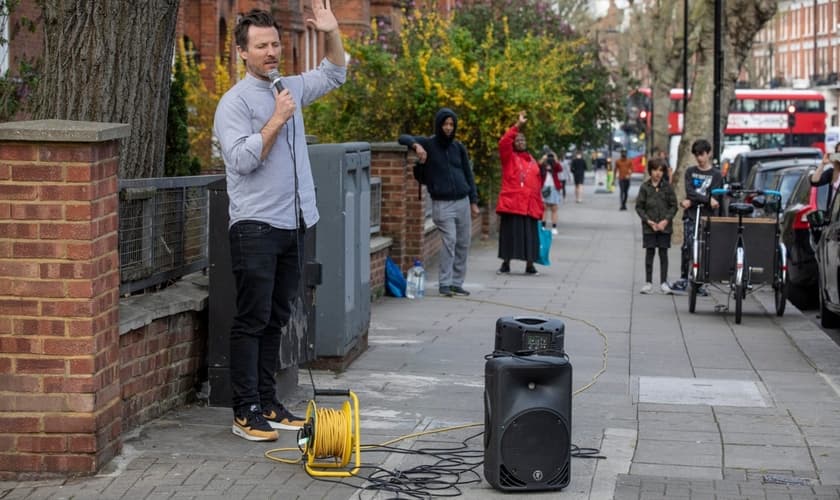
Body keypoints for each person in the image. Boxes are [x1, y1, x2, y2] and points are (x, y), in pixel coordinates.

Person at [213, 4, 346, 442]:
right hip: (255, 226)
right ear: (242, 52)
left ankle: (268, 403)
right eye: (261, 46)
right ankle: (245, 411)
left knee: (276, 318)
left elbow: (334, 73)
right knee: (252, 319)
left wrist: (331, 32)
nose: (271, 52)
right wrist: (277, 118)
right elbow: (240, 160)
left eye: (274, 44)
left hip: (294, 222)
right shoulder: (234, 103)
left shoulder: (288, 86)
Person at [398, 108, 480, 297]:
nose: (448, 128)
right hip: (442, 204)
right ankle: (444, 283)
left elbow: (468, 174)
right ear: (439, 125)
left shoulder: (458, 147)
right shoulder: (428, 144)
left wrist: (473, 201)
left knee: (463, 243)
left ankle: (456, 283)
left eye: (451, 124)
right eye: (445, 124)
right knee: (450, 241)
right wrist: (416, 146)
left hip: (462, 201)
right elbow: (402, 138)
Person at [670, 139, 723, 293]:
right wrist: (706, 200)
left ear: (709, 153)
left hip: (707, 217)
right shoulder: (690, 172)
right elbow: (691, 192)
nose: (699, 158)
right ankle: (684, 277)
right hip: (691, 215)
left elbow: (715, 197)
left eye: (702, 154)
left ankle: (700, 281)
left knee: (704, 248)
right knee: (688, 245)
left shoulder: (716, 175)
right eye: (697, 155)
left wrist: (693, 201)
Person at [496, 111, 544, 275]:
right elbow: (504, 142)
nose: (521, 142)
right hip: (512, 203)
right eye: (518, 140)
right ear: (514, 143)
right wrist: (517, 126)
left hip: (530, 204)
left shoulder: (532, 159)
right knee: (509, 235)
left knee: (530, 236)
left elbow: (537, 182)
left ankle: (530, 265)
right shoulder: (508, 157)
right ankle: (506, 264)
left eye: (523, 140)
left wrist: (539, 205)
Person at [636, 158, 678, 294]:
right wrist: (648, 221)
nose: (657, 173)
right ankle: (648, 282)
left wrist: (665, 221)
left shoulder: (667, 187)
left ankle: (663, 283)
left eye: (660, 170)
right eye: (655, 170)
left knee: (663, 254)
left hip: (664, 228)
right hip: (649, 227)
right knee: (650, 253)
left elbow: (674, 206)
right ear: (650, 171)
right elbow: (639, 207)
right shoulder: (645, 187)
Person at [539, 147, 564, 235]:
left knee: (554, 208)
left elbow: (560, 169)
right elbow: (537, 167)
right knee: (544, 208)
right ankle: (543, 226)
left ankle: (554, 227)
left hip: (554, 188)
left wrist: (555, 158)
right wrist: (543, 159)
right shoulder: (543, 165)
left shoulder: (555, 165)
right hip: (544, 187)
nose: (549, 158)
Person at [811, 142, 840, 211]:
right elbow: (814, 182)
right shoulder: (832, 172)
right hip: (835, 214)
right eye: (838, 153)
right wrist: (823, 164)